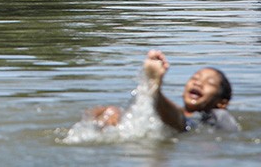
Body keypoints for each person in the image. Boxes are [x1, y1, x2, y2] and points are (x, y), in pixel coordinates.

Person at [88, 50, 240, 132]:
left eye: (209, 82)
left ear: (222, 102)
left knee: (181, 121)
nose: (199, 83)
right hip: (178, 133)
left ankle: (155, 89)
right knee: (111, 111)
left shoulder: (219, 115)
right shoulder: (173, 111)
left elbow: (180, 121)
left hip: (195, 131)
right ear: (183, 92)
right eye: (195, 78)